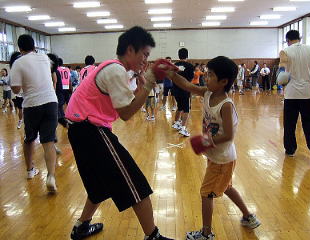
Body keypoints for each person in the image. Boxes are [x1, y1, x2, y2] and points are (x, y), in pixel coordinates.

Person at [65, 26, 174, 240]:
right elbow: (126, 113)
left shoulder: (115, 69)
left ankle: (81, 227)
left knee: (97, 186)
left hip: (80, 130)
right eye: (145, 54)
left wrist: (141, 85)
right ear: (130, 50)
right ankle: (153, 237)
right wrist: (150, 82)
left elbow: (122, 102)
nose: (145, 60)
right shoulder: (115, 70)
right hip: (90, 130)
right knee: (135, 183)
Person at [167, 56, 261, 240]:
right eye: (207, 74)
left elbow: (229, 135)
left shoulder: (226, 105)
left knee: (205, 193)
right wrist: (171, 74)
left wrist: (205, 141)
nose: (205, 78)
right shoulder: (208, 93)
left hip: (223, 157)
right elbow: (188, 86)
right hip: (217, 156)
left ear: (224, 81)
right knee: (227, 187)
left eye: (210, 75)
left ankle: (206, 233)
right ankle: (248, 216)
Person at [10, 34, 58, 192]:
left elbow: (16, 89)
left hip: (32, 104)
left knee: (30, 139)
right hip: (51, 102)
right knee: (48, 142)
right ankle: (50, 176)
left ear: (19, 48)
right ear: (34, 46)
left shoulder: (18, 62)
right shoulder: (44, 58)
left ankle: (30, 171)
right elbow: (52, 70)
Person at [278, 30, 310, 159]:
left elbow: (283, 70)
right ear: (299, 38)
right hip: (308, 92)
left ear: (287, 40)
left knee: (290, 123)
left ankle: (290, 149)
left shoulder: (285, 51)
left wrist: (281, 86)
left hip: (291, 94)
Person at [171, 48, 194, 137]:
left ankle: (176, 123)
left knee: (180, 107)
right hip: (185, 90)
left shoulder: (174, 65)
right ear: (187, 55)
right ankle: (183, 128)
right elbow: (191, 79)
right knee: (186, 109)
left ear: (178, 55)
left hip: (175, 90)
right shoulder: (190, 66)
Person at [9, 52, 24, 129]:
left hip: (28, 95)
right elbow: (15, 89)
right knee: (20, 109)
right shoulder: (13, 72)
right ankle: (20, 120)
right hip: (19, 95)